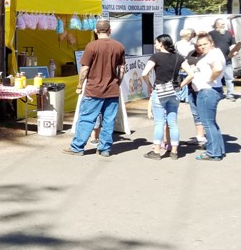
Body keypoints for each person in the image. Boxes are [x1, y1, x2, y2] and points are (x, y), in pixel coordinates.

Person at [64, 19, 125, 157]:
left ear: (96, 31)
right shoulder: (119, 46)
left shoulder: (91, 46)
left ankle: (78, 147)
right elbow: (122, 68)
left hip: (94, 89)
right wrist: (118, 82)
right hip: (112, 90)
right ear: (110, 30)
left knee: (86, 118)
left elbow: (85, 69)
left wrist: (80, 84)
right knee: (109, 120)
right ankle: (104, 149)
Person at [140, 34, 194, 160]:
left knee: (159, 123)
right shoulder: (178, 58)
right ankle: (174, 151)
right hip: (174, 91)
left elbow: (144, 73)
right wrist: (181, 85)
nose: (154, 45)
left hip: (160, 91)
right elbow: (191, 74)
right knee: (173, 122)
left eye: (156, 42)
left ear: (161, 44)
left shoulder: (155, 57)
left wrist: (148, 85)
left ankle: (157, 151)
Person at [191, 32, 226, 160]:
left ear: (211, 43)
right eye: (199, 45)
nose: (202, 47)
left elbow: (217, 68)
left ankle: (213, 153)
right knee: (211, 123)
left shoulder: (213, 54)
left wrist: (209, 80)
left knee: (207, 123)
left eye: (205, 44)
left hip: (207, 91)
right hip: (209, 90)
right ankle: (218, 150)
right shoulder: (213, 54)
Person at [208, 18, 239, 100]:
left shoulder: (228, 34)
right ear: (217, 25)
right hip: (215, 60)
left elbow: (232, 44)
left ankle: (230, 95)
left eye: (224, 24)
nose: (223, 26)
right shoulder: (211, 34)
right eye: (222, 24)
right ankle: (216, 93)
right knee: (215, 78)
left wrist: (234, 51)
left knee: (229, 78)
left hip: (227, 59)